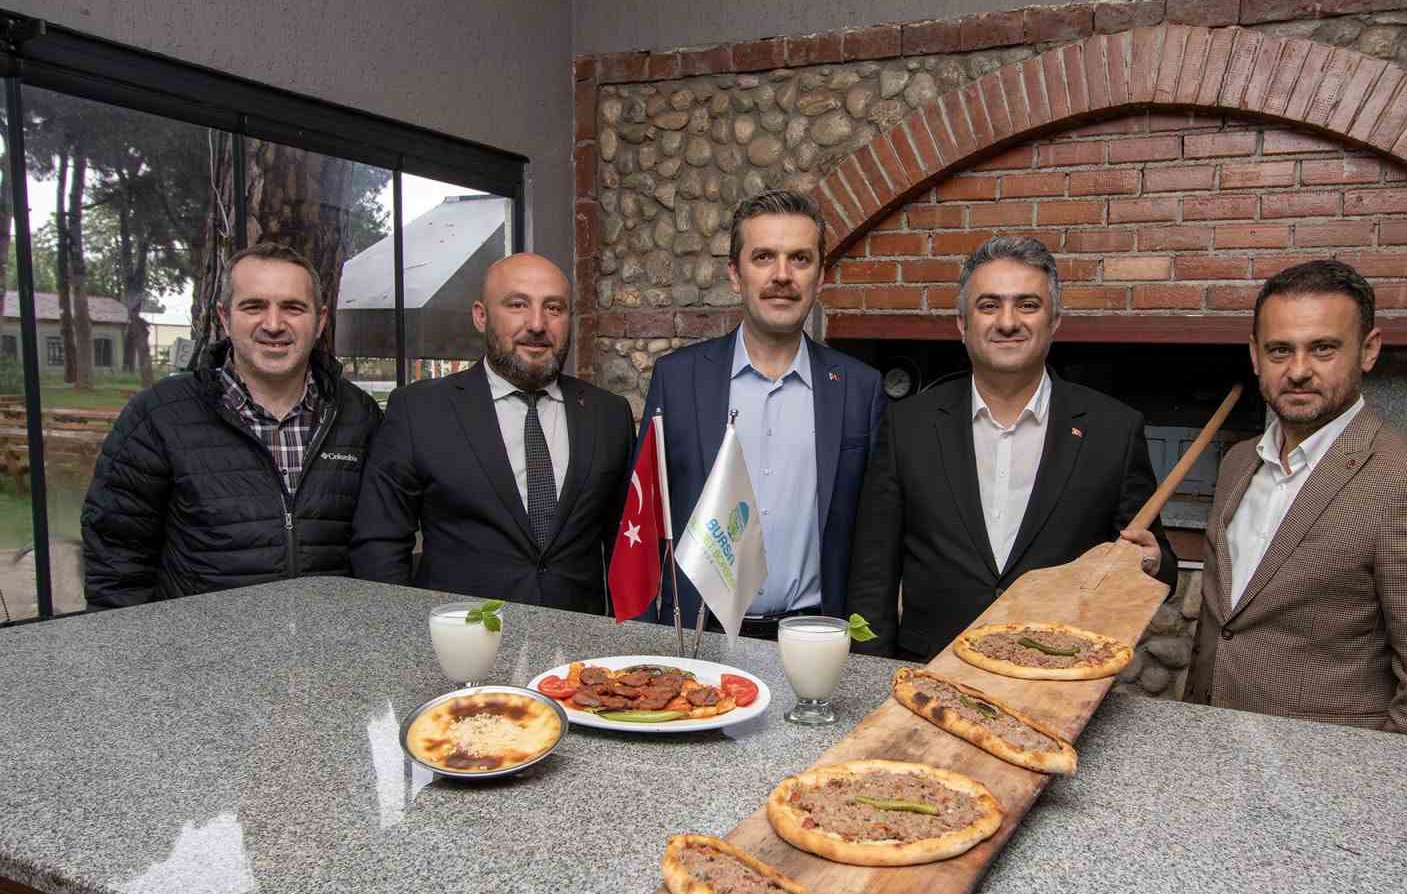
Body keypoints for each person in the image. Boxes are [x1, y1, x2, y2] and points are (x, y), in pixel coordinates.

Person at [1184, 260, 1407, 739]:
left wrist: (1369, 780)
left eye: (1323, 348)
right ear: (1256, 356)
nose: (1298, 371)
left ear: (1368, 350)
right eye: (1280, 350)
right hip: (1210, 739)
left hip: (1325, 764)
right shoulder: (1238, 462)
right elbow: (1225, 626)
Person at [847, 235, 1177, 662]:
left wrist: (1153, 564)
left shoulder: (1114, 429)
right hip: (931, 670)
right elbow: (873, 573)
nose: (1007, 322)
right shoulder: (909, 425)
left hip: (1056, 674)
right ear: (962, 324)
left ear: (1054, 320)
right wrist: (870, 672)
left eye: (1027, 305)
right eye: (989, 305)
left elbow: (1159, 563)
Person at [81, 242, 383, 608]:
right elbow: (116, 556)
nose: (273, 325)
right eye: (254, 306)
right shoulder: (159, 415)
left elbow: (380, 543)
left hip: (329, 635)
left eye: (293, 307)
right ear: (225, 318)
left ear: (320, 321)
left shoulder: (358, 415)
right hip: (200, 641)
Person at [639, 190, 885, 639]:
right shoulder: (677, 379)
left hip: (814, 638)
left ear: (820, 277)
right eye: (764, 257)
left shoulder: (860, 389)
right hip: (697, 634)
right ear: (735, 274)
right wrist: (641, 641)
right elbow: (645, 518)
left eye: (800, 259)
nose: (782, 276)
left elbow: (875, 542)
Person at [350, 253, 633, 612]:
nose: (537, 324)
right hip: (461, 640)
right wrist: (402, 632)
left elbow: (630, 548)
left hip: (578, 642)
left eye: (554, 308)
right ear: (480, 316)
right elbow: (379, 544)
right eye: (517, 304)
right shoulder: (419, 410)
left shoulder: (609, 415)